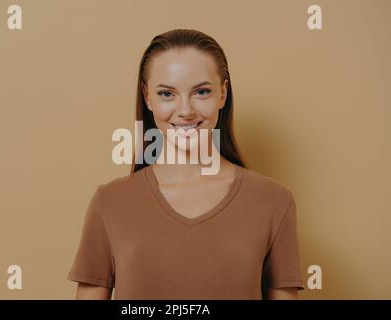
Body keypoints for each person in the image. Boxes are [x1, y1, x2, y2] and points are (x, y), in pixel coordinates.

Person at [67, 29, 304, 300]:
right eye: (167, 94)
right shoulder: (109, 202)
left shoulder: (274, 202)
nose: (186, 110)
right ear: (147, 97)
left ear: (223, 94)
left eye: (201, 91)